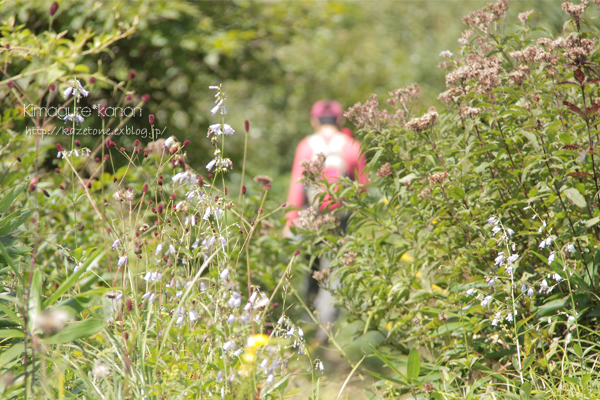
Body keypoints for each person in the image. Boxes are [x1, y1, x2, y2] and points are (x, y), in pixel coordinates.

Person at [284, 100, 368, 342]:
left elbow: (296, 188)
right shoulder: (352, 145)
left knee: (306, 275)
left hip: (308, 222)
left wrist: (290, 222)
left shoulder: (306, 146)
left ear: (314, 120)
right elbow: (362, 188)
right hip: (337, 223)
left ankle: (305, 331)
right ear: (340, 121)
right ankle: (326, 335)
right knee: (333, 277)